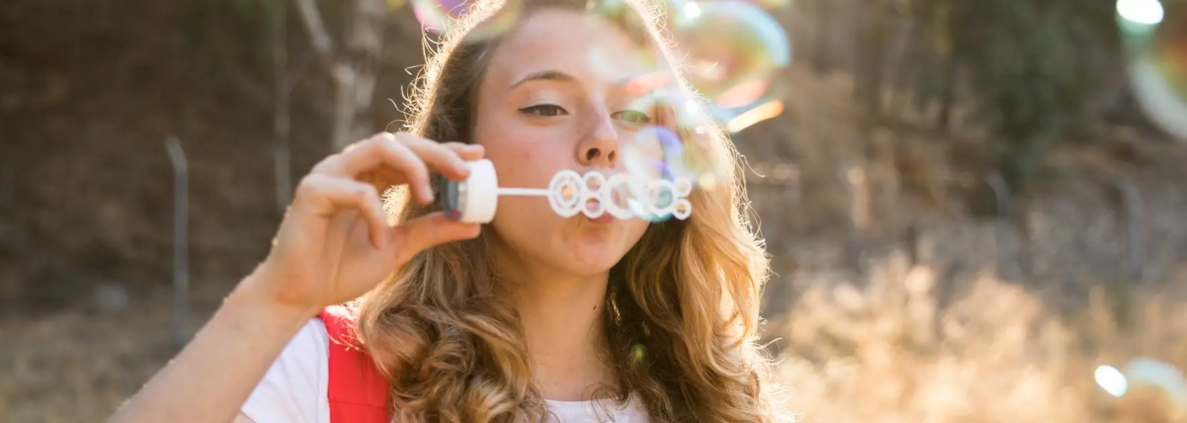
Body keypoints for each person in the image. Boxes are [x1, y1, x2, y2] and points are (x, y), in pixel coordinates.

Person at [107, 0, 787, 421]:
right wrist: (273, 299)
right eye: (547, 105)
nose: (604, 141)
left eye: (636, 111)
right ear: (460, 150)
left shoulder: (717, 404)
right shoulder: (330, 376)